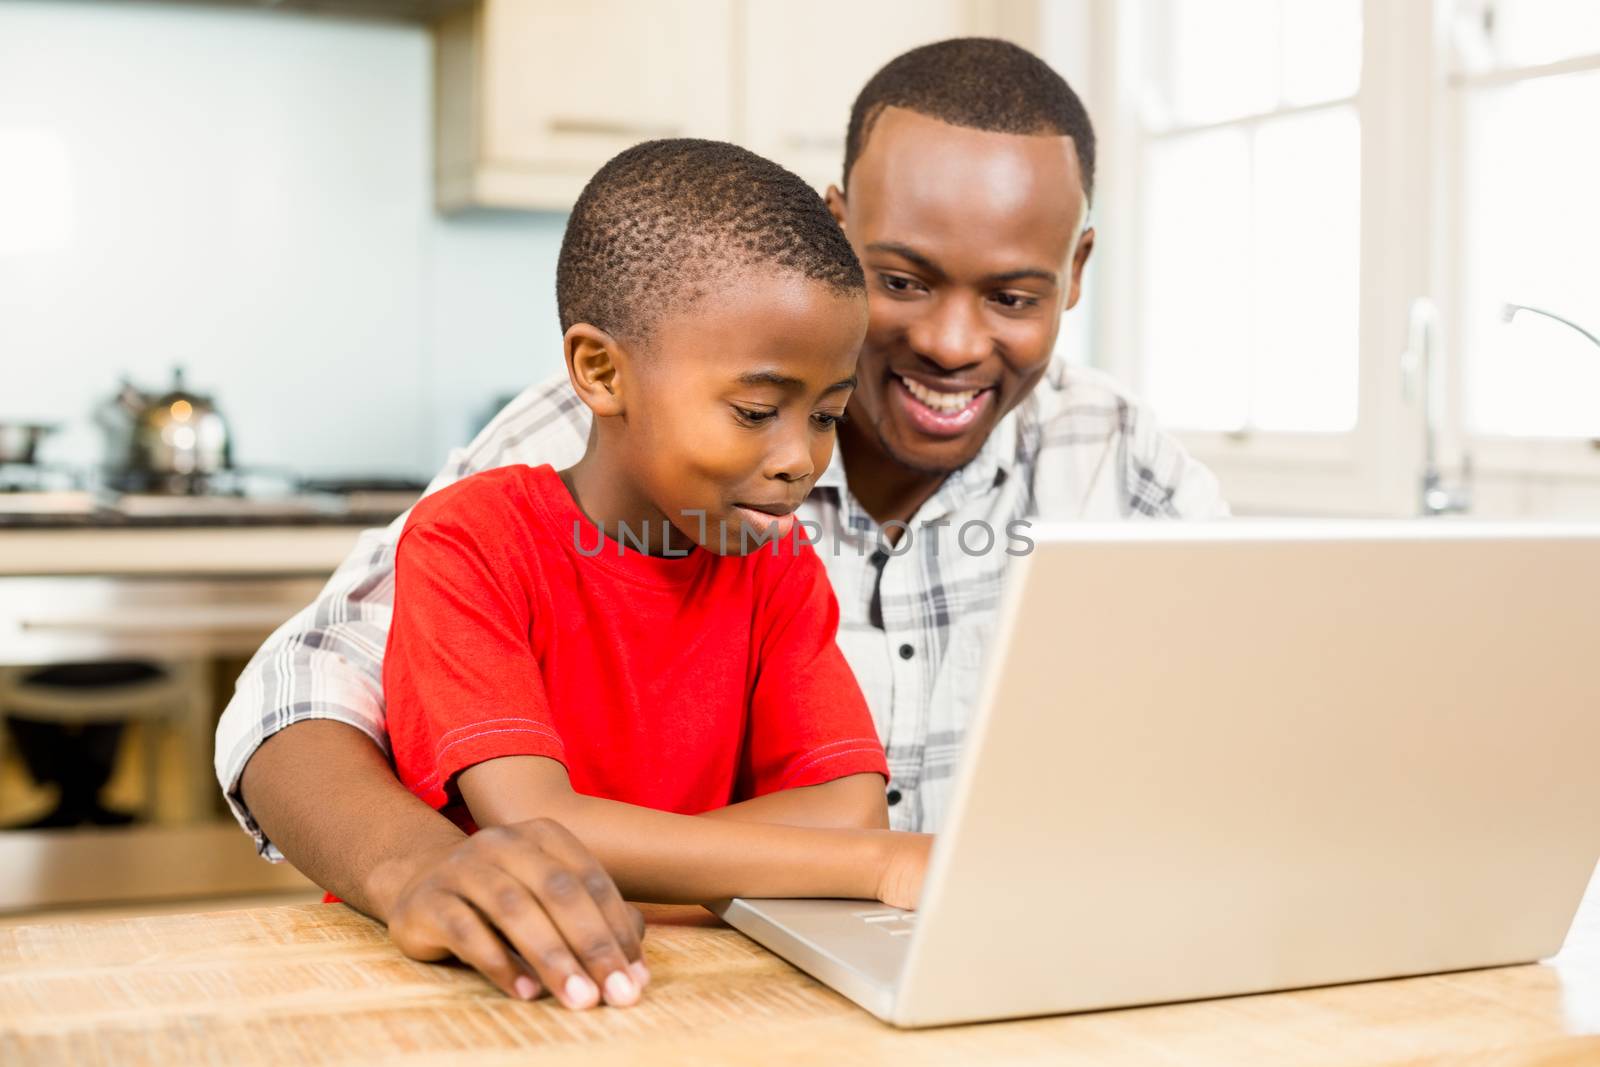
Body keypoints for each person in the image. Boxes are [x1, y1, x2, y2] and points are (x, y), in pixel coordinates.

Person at [216, 37, 1226, 1004]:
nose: (952, 342)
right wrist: (436, 862)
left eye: (1012, 295)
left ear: (1076, 272)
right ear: (837, 226)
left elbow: (846, 811)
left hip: (927, 975)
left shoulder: (1111, 454)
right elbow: (310, 691)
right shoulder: (577, 446)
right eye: (904, 280)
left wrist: (648, 858)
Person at [380, 139, 930, 1010]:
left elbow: (845, 808)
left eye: (826, 414)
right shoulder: (471, 540)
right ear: (601, 372)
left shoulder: (780, 565)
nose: (801, 460)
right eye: (756, 411)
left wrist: (614, 869)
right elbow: (532, 823)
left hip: (685, 985)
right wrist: (880, 866)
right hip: (487, 992)